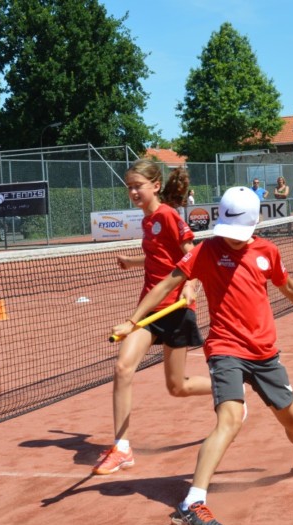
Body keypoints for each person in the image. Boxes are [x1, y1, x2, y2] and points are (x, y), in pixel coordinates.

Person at [110, 186, 293, 525]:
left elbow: (288, 286)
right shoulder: (207, 250)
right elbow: (166, 284)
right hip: (225, 349)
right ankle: (191, 503)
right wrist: (134, 320)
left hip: (265, 352)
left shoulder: (267, 251)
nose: (234, 241)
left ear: (255, 224)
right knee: (230, 420)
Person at [94, 160, 212, 476]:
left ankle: (228, 389)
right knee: (122, 367)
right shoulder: (147, 222)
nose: (132, 192)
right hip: (149, 311)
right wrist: (132, 262)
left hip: (176, 309)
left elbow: (192, 254)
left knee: (177, 387)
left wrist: (191, 284)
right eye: (129, 187)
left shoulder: (169, 216)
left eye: (138, 186)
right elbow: (157, 256)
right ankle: (122, 448)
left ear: (155, 186)